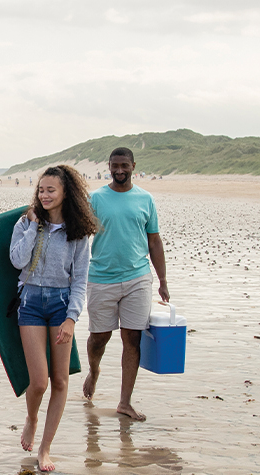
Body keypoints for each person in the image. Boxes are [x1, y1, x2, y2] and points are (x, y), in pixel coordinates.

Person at [9, 165, 98, 472]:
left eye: (51, 190)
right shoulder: (25, 222)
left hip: (61, 304)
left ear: (65, 194)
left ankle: (45, 449)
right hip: (31, 301)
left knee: (60, 380)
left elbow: (80, 281)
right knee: (38, 381)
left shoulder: (77, 234)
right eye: (41, 190)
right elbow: (17, 260)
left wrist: (72, 318)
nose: (44, 195)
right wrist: (34, 226)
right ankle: (32, 418)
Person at [82, 148, 170, 420]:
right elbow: (77, 236)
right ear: (108, 166)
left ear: (133, 165)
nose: (119, 170)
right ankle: (94, 371)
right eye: (114, 166)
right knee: (100, 337)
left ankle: (125, 402)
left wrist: (163, 280)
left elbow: (154, 241)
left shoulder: (145, 199)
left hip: (138, 278)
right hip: (101, 278)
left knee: (132, 339)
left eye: (124, 165)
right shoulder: (95, 198)